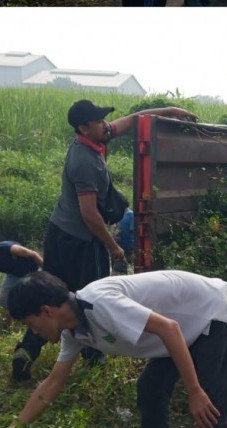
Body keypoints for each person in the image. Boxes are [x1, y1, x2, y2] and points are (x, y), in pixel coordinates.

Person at [0, 269, 227, 428]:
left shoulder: (100, 303)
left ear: (46, 310)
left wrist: (194, 391)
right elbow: (52, 384)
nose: (33, 331)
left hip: (210, 314)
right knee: (150, 391)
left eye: (31, 323)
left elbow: (170, 328)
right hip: (177, 332)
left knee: (210, 410)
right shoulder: (74, 332)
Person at [11, 100, 198, 381]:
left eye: (103, 120)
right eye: (97, 122)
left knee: (47, 293)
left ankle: (26, 350)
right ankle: (93, 353)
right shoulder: (84, 161)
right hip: (80, 239)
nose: (104, 125)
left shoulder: (97, 136)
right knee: (91, 295)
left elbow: (133, 120)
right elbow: (89, 214)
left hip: (58, 231)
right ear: (83, 128)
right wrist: (113, 246)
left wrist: (169, 112)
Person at [0, 238, 42, 327]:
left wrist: (48, 271)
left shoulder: (11, 249)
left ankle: (35, 322)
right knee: (3, 300)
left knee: (34, 298)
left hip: (33, 271)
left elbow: (34, 254)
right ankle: (9, 327)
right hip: (14, 275)